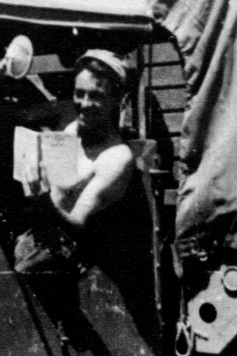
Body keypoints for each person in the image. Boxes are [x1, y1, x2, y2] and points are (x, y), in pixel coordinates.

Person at [14, 49, 144, 275]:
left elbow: (78, 224)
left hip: (65, 256)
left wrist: (41, 200)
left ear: (116, 100)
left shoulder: (116, 157)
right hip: (41, 239)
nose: (84, 104)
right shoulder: (71, 131)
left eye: (96, 96)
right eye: (79, 93)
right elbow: (58, 190)